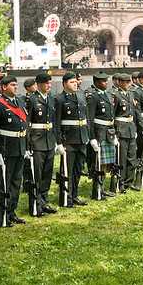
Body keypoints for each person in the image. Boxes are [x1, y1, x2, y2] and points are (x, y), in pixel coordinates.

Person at [0, 75, 28, 224]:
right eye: (12, 85)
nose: (16, 87)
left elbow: (25, 126)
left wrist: (27, 146)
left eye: (16, 85)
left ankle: (12, 211)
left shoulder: (20, 102)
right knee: (5, 182)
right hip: (6, 148)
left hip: (20, 147)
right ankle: (2, 214)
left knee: (16, 182)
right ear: (3, 87)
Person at [54, 72, 90, 206]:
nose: (75, 84)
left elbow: (86, 118)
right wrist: (58, 142)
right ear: (64, 84)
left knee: (78, 169)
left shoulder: (81, 96)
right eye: (71, 82)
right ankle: (66, 197)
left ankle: (74, 195)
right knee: (67, 170)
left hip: (81, 137)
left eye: (76, 82)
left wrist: (88, 136)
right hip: (68, 139)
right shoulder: (59, 99)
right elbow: (56, 122)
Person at [25, 72, 57, 215]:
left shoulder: (51, 98)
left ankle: (44, 201)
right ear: (38, 84)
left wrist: (56, 140)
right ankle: (35, 204)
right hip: (37, 141)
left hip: (49, 140)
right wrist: (27, 144)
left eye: (50, 83)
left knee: (47, 174)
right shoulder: (32, 100)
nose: (49, 86)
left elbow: (54, 121)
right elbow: (27, 123)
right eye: (46, 83)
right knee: (36, 175)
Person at [86, 72, 117, 200]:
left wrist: (114, 133)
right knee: (98, 163)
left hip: (109, 132)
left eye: (106, 80)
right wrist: (92, 137)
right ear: (97, 83)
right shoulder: (93, 97)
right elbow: (89, 119)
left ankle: (102, 188)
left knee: (105, 163)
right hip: (99, 132)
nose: (106, 83)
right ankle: (97, 190)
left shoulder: (109, 95)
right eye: (103, 81)